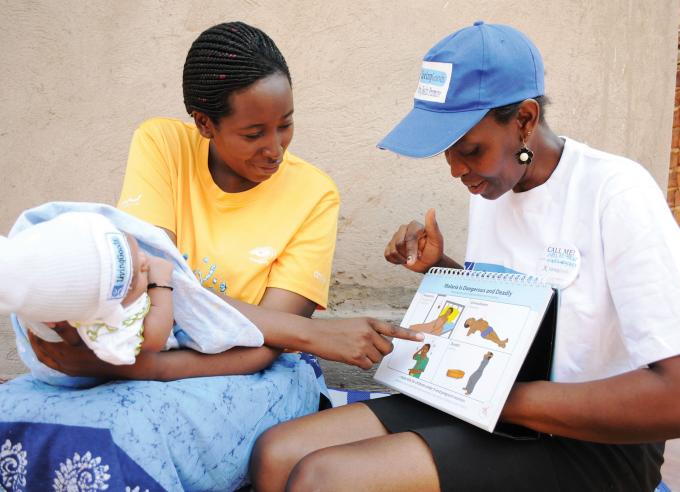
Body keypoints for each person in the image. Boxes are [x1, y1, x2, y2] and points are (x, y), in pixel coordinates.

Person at [249, 22, 680, 492]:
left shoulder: (615, 193)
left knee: (328, 480)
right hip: (494, 403)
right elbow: (521, 318)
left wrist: (501, 397)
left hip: (590, 440)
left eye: (470, 149)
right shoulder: (495, 187)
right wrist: (445, 273)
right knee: (278, 453)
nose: (456, 169)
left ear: (524, 120)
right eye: (448, 152)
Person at [0, 22, 420, 491]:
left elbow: (267, 344)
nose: (275, 149)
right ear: (204, 123)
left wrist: (146, 367)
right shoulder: (163, 145)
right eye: (254, 133)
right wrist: (310, 333)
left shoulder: (313, 194)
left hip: (250, 371)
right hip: (140, 346)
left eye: (286, 125)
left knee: (130, 436)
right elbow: (141, 287)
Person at [1, 211, 174, 366]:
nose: (144, 259)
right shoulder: (100, 331)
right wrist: (160, 282)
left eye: (134, 250)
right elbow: (155, 340)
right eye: (135, 279)